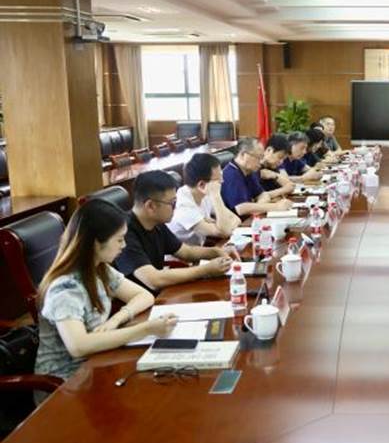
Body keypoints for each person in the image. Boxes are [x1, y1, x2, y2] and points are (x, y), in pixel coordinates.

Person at [35, 199, 177, 383]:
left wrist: (116, 319)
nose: (124, 245)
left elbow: (144, 295)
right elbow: (78, 346)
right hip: (67, 381)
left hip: (99, 363)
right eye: (119, 239)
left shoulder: (99, 268)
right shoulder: (65, 288)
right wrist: (146, 329)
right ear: (96, 243)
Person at [115, 171, 237, 292]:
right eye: (172, 203)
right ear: (150, 206)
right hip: (140, 301)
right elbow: (153, 280)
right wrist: (206, 270)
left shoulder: (156, 223)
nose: (176, 207)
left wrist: (216, 251)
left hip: (158, 294)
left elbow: (186, 252)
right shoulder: (123, 232)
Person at [167, 153, 241, 246]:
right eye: (218, 179)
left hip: (200, 248)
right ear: (201, 185)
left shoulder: (203, 193)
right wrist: (216, 196)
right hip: (185, 254)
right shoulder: (184, 207)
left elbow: (236, 219)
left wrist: (219, 224)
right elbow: (224, 232)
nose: (222, 181)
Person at [221, 137, 293, 216]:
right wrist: (276, 206)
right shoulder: (231, 174)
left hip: (250, 218)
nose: (260, 161)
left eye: (262, 157)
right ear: (243, 155)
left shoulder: (249, 171)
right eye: (258, 157)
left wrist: (257, 208)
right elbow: (241, 208)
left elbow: (263, 195)